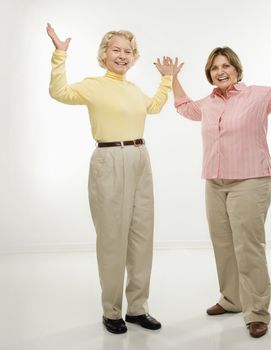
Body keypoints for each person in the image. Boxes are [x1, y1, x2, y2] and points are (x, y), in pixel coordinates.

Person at [172, 26, 271, 338]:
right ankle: (231, 299)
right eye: (214, 68)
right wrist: (171, 77)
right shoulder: (208, 103)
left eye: (225, 65)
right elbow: (185, 108)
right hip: (214, 183)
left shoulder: (257, 95)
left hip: (250, 181)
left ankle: (257, 312)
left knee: (248, 247)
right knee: (224, 244)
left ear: (237, 69)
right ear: (209, 74)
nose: (220, 71)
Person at [46, 23, 173, 334]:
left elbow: (153, 107)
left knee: (142, 236)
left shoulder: (132, 89)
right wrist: (59, 54)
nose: (122, 55)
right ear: (104, 55)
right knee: (112, 238)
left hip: (140, 157)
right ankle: (112, 311)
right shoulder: (93, 85)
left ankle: (138, 308)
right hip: (109, 158)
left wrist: (167, 79)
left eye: (128, 51)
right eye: (116, 49)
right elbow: (58, 92)